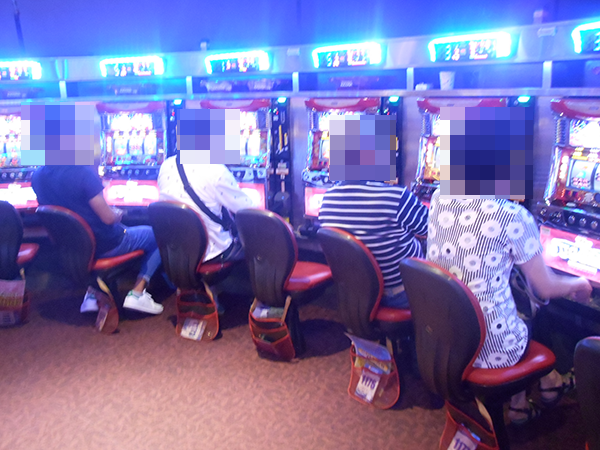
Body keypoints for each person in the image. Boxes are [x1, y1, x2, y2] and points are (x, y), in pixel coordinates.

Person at [426, 188, 592, 424]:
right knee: (529, 308)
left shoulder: (439, 196)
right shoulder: (513, 216)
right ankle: (544, 387)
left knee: (516, 301)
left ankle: (529, 398)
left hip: (446, 337)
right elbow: (545, 288)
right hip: (490, 350)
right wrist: (580, 284)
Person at [32, 165, 164, 315]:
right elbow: (108, 219)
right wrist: (118, 213)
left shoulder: (38, 176)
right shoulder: (83, 173)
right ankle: (137, 294)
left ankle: (93, 294)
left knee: (120, 229)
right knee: (157, 235)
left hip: (72, 249)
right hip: (106, 244)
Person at [318, 180, 428, 308]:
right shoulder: (396, 197)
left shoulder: (328, 197)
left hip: (353, 290)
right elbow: (432, 229)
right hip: (399, 293)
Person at [157, 154, 256, 263]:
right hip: (211, 252)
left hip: (176, 249)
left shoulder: (166, 165)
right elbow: (250, 212)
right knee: (258, 240)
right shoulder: (217, 171)